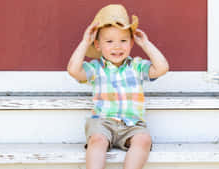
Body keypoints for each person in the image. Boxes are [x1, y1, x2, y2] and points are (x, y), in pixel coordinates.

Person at [67, 4, 169, 169]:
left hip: (132, 123)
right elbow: (73, 70)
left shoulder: (136, 66)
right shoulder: (96, 68)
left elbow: (162, 68)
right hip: (103, 121)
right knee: (97, 140)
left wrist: (146, 44)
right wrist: (85, 42)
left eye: (123, 41)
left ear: (131, 44)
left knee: (143, 140)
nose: (117, 46)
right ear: (98, 45)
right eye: (109, 41)